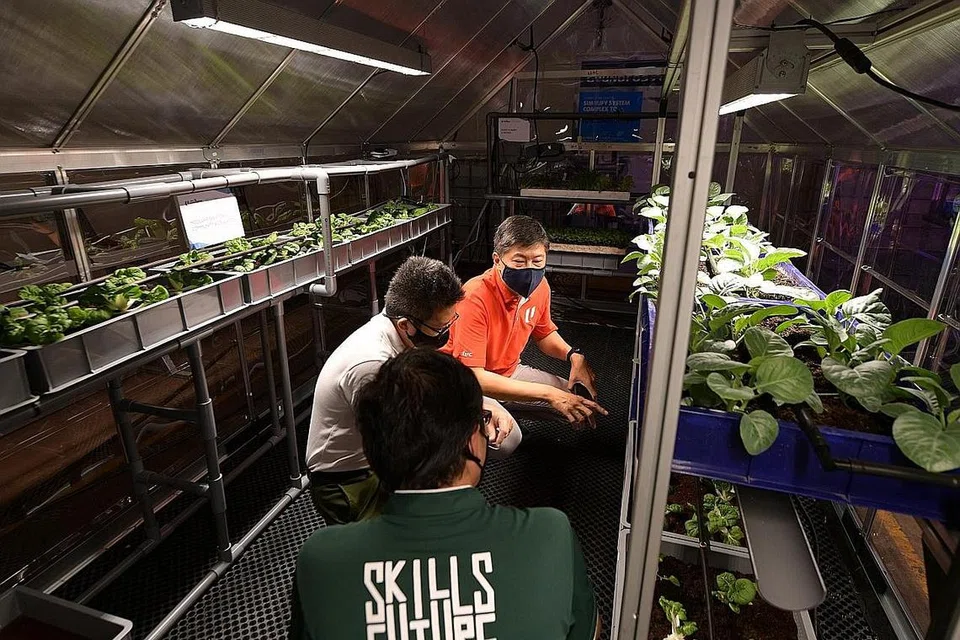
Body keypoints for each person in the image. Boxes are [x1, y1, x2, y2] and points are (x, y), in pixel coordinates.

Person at [289, 350, 599, 640]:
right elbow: (589, 630)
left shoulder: (321, 560)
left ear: (371, 452)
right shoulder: (550, 534)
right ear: (471, 441)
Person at [305, 256, 521, 526]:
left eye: (451, 321)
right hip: (349, 479)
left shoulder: (400, 336)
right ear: (406, 324)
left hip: (376, 459)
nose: (447, 333)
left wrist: (485, 405)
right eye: (440, 328)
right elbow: (405, 442)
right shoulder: (372, 364)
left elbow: (430, 391)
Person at [442, 215, 607, 426]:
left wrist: (574, 355)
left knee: (579, 403)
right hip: (469, 384)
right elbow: (475, 376)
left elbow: (544, 333)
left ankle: (509, 411)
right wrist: (549, 394)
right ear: (497, 260)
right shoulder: (474, 297)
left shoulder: (541, 287)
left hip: (510, 372)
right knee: (509, 440)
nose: (530, 270)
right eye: (519, 262)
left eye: (537, 261)